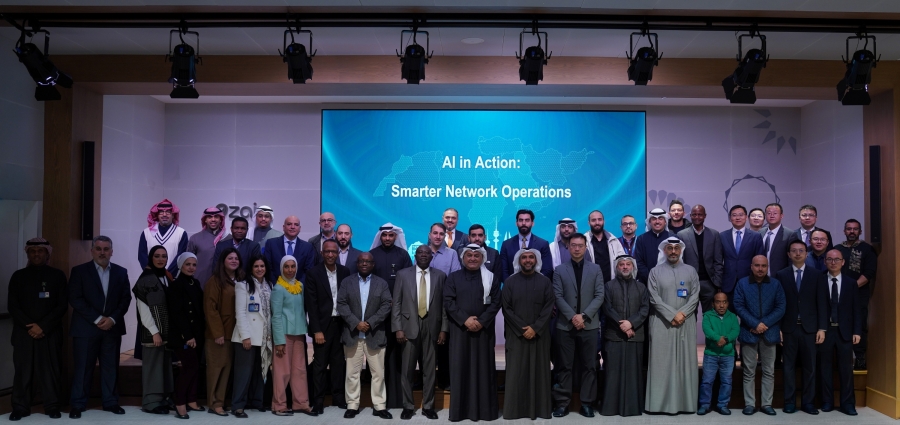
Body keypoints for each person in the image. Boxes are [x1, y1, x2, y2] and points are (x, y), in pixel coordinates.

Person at [68, 235, 131, 419]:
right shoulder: (79, 271)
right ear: (92, 251)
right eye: (98, 249)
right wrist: (97, 319)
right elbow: (75, 298)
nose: (102, 252)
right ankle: (78, 404)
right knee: (83, 368)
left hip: (112, 328)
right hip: (86, 328)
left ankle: (110, 402)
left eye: (106, 249)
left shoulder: (121, 272)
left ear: (111, 252)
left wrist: (112, 318)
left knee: (110, 368)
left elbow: (125, 299)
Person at [8, 238, 67, 420]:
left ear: (47, 253)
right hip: (23, 333)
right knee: (23, 371)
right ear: (28, 254)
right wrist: (31, 326)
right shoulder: (18, 276)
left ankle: (52, 406)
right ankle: (20, 407)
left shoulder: (57, 276)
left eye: (40, 251)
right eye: (32, 251)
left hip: (49, 333)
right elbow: (13, 306)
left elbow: (62, 306)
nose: (36, 254)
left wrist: (42, 326)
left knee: (50, 371)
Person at [444, 244, 501, 422]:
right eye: (469, 255)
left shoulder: (491, 278)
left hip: (484, 332)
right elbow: (448, 301)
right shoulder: (453, 278)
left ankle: (485, 411)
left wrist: (481, 321)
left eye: (477, 256)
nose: (473, 259)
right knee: (460, 368)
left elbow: (496, 302)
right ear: (463, 258)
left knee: (484, 370)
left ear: (482, 258)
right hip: (460, 330)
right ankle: (460, 412)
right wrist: (465, 320)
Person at [393, 245, 448, 420]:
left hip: (432, 326)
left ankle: (429, 406)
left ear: (432, 257)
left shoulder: (440, 275)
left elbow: (444, 305)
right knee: (407, 370)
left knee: (430, 370)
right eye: (420, 252)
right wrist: (398, 328)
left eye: (427, 253)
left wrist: (444, 329)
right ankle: (408, 406)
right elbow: (396, 303)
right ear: (415, 256)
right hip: (408, 326)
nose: (423, 255)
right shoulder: (403, 274)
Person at [551, 233, 604, 418]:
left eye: (580, 245)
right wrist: (573, 317)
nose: (576, 248)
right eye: (573, 245)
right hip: (565, 326)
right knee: (564, 366)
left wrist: (584, 316)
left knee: (589, 366)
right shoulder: (559, 270)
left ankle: (587, 403)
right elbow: (557, 296)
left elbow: (599, 295)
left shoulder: (596, 269)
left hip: (589, 325)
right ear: (568, 247)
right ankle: (562, 403)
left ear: (585, 247)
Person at [645, 237, 700, 414]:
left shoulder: (691, 271)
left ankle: (686, 405)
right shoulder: (655, 272)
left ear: (681, 250)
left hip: (686, 321)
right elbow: (654, 297)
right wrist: (672, 315)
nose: (673, 251)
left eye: (677, 248)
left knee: (685, 363)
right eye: (670, 248)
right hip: (662, 322)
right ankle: (658, 405)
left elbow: (695, 296)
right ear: (664, 250)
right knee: (661, 364)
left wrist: (682, 313)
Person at [337, 253, 393, 420]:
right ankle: (352, 405)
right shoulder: (347, 282)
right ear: (357, 263)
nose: (364, 264)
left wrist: (369, 322)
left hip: (374, 334)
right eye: (361, 261)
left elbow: (386, 305)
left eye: (368, 261)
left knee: (378, 374)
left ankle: (379, 406)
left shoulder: (381, 283)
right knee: (352, 373)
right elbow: (341, 304)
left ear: (373, 264)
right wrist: (356, 323)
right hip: (352, 334)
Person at [502, 249, 554, 420]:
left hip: (540, 335)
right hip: (516, 335)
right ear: (519, 261)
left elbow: (549, 307)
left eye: (531, 257)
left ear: (536, 260)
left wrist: (536, 328)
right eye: (524, 257)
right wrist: (523, 329)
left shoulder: (545, 282)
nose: (528, 260)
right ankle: (514, 411)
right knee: (516, 372)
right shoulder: (510, 282)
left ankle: (540, 410)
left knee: (540, 372)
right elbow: (506, 308)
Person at [776, 240, 827, 415]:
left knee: (810, 367)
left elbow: (822, 303)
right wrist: (778, 328)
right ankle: (789, 402)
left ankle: (808, 403)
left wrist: (822, 328)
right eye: (794, 251)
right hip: (788, 328)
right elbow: (778, 303)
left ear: (806, 254)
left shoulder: (817, 275)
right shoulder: (781, 275)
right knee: (788, 367)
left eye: (801, 251)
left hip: (810, 329)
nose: (798, 253)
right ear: (789, 254)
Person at [734, 255, 785, 416]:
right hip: (749, 332)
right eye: (757, 265)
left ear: (767, 267)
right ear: (751, 266)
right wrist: (755, 324)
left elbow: (781, 307)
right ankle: (749, 404)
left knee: (769, 371)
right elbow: (738, 306)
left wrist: (764, 324)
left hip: (770, 333)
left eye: (764, 266)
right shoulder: (742, 283)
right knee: (749, 371)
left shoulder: (775, 284)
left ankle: (766, 404)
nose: (760, 269)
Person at [304, 239, 352, 413]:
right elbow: (311, 304)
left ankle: (338, 398)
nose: (330, 254)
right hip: (322, 327)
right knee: (320, 365)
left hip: (341, 324)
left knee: (338, 364)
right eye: (327, 251)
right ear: (322, 253)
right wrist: (316, 330)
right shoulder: (313, 273)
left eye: (333, 251)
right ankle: (318, 401)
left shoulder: (345, 271)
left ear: (338, 253)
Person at [369, 222, 412, 408]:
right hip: (377, 314)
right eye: (384, 235)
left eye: (391, 235)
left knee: (398, 354)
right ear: (380, 236)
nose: (387, 238)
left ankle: (399, 396)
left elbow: (409, 282)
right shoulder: (372, 255)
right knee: (378, 355)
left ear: (396, 236)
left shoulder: (403, 255)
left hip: (398, 314)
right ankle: (379, 396)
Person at [600, 255, 649, 417]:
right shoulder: (608, 286)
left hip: (635, 336)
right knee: (612, 373)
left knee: (634, 373)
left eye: (628, 264)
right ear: (617, 267)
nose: (625, 267)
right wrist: (623, 325)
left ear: (633, 267)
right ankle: (610, 408)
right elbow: (607, 308)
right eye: (622, 264)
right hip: (614, 335)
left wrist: (631, 323)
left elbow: (644, 309)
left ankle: (633, 408)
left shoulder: (641, 287)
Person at [270, 255, 316, 416]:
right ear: (281, 268)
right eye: (286, 267)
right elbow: (276, 316)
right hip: (284, 335)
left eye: (293, 266)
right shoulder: (278, 288)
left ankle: (301, 403)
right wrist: (279, 341)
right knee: (282, 372)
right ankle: (279, 405)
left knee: (300, 371)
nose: (290, 270)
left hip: (299, 334)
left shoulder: (300, 285)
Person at [819, 249, 862, 416]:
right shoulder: (819, 280)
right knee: (825, 368)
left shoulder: (851, 283)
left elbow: (857, 309)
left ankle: (848, 404)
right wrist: (819, 328)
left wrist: (857, 331)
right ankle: (827, 401)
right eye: (829, 259)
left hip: (845, 331)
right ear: (825, 262)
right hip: (825, 330)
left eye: (837, 259)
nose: (833, 262)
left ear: (843, 262)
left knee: (846, 369)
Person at [133, 245, 175, 414]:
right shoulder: (145, 279)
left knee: (164, 367)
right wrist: (154, 331)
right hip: (153, 333)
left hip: (166, 332)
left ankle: (163, 399)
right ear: (151, 258)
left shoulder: (166, 276)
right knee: (153, 368)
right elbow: (143, 309)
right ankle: (151, 402)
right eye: (157, 256)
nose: (160, 259)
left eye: (164, 256)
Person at [231, 255, 274, 418]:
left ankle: (257, 401)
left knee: (260, 370)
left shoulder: (270, 285)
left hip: (264, 336)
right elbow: (240, 313)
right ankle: (238, 405)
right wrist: (245, 336)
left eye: (262, 266)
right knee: (243, 372)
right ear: (251, 268)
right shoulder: (242, 285)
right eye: (256, 266)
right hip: (247, 336)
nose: (259, 269)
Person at [204, 248, 242, 416]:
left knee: (227, 369)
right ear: (223, 261)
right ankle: (214, 403)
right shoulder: (215, 281)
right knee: (216, 369)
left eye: (236, 258)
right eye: (230, 258)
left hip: (234, 333)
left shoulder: (241, 279)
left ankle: (221, 400)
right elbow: (210, 309)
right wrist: (217, 333)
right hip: (219, 334)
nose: (234, 261)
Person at [168, 252, 206, 419]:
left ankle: (191, 400)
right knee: (189, 368)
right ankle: (179, 402)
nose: (191, 268)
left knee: (195, 368)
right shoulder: (176, 285)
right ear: (181, 265)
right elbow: (177, 314)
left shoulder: (195, 282)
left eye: (194, 265)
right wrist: (188, 336)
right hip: (183, 336)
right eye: (188, 264)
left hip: (197, 334)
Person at [835, 218, 877, 370]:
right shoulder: (838, 249)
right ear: (844, 231)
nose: (852, 231)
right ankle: (840, 358)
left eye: (855, 229)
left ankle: (860, 358)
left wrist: (851, 287)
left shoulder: (867, 249)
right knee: (838, 324)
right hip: (838, 294)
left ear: (860, 231)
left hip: (859, 294)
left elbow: (869, 272)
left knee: (859, 325)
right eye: (849, 229)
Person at [697, 292, 739, 416]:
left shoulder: (732, 317)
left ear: (728, 303)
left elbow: (735, 330)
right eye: (718, 302)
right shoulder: (707, 316)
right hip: (711, 354)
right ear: (713, 304)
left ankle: (722, 405)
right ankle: (704, 405)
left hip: (728, 355)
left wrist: (725, 339)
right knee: (707, 381)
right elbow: (707, 330)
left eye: (724, 302)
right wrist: (717, 338)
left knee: (726, 382)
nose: (721, 305)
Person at [676, 204, 723, 312]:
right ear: (690, 216)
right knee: (689, 315)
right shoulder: (682, 235)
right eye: (694, 214)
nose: (697, 217)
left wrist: (717, 283)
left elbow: (718, 261)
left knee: (710, 316)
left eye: (700, 214)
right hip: (689, 283)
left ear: (705, 216)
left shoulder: (714, 234)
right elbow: (680, 261)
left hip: (709, 283)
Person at [720, 205, 765, 307]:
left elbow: (760, 260)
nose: (738, 218)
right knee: (729, 314)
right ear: (730, 218)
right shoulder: (722, 236)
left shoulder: (756, 236)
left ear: (746, 217)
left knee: (748, 312)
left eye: (741, 215)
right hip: (728, 283)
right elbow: (718, 261)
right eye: (734, 215)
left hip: (749, 281)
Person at [499, 209, 553, 281]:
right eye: (521, 220)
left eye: (527, 220)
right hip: (512, 286)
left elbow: (547, 270)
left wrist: (535, 284)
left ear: (532, 223)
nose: (524, 223)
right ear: (516, 223)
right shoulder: (506, 244)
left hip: (536, 286)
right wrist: (510, 285)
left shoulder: (543, 244)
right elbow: (503, 271)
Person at [138, 199, 188, 275]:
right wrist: (152, 273)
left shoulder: (181, 233)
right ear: (157, 215)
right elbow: (142, 256)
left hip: (173, 278)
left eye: (168, 212)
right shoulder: (146, 232)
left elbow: (181, 257)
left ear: (173, 215)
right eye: (161, 212)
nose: (164, 215)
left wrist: (167, 274)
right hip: (151, 277)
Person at [264, 215, 316, 284]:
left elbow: (308, 271)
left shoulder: (307, 247)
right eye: (289, 224)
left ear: (299, 228)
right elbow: (268, 268)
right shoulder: (271, 244)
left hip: (299, 288)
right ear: (283, 227)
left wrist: (297, 287)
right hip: (275, 287)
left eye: (296, 225)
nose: (292, 227)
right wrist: (277, 286)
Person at [187, 206, 226, 287]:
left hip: (223, 284)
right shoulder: (195, 238)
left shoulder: (227, 238)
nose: (213, 219)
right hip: (199, 283)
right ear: (205, 219)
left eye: (216, 217)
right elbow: (187, 263)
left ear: (221, 219)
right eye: (209, 217)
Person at [585, 210, 626, 282]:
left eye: (599, 219)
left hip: (611, 284)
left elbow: (622, 261)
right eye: (593, 220)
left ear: (604, 222)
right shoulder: (584, 241)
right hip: (591, 283)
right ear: (589, 223)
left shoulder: (613, 240)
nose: (597, 223)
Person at [634, 208, 670, 284]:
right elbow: (639, 262)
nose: (657, 222)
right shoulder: (641, 239)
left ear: (665, 222)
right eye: (654, 219)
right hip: (646, 282)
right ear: (649, 222)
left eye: (660, 219)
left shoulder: (672, 238)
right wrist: (651, 278)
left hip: (669, 282)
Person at [761, 203, 797, 277]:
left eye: (775, 213)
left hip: (780, 276)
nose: (772, 215)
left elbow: (791, 259)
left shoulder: (790, 234)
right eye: (769, 213)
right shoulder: (760, 232)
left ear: (781, 216)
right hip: (760, 275)